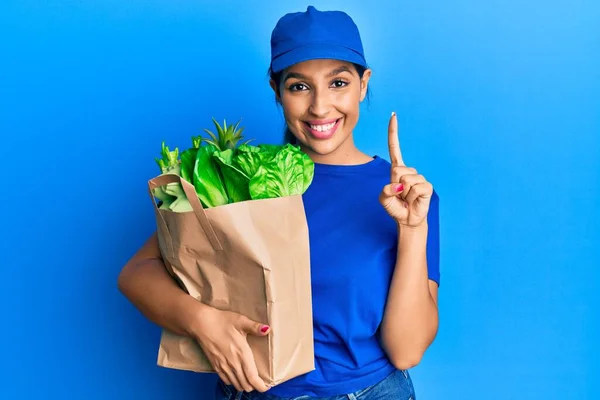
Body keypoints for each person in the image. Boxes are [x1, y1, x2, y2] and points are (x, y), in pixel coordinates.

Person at [118, 5, 441, 400]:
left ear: (363, 83)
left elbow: (406, 350)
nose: (320, 107)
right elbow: (137, 273)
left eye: (338, 83)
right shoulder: (246, 176)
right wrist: (202, 322)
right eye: (299, 86)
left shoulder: (407, 197)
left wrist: (412, 228)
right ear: (277, 90)